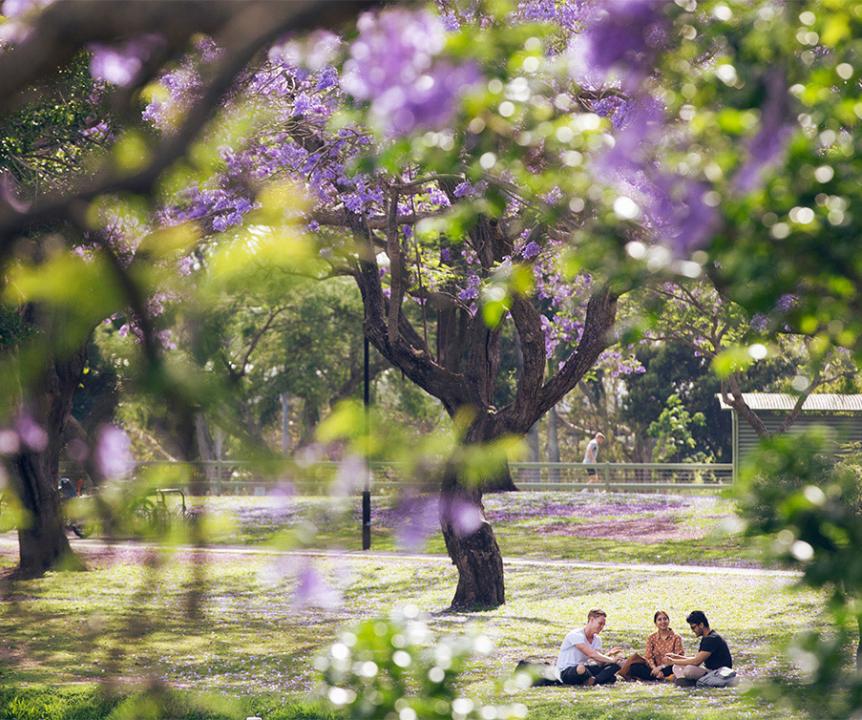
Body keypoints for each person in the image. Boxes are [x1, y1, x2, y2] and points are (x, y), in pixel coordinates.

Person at [556, 608, 624, 685]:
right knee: (581, 668)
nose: (601, 627)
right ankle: (597, 679)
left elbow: (599, 662)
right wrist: (611, 659)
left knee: (615, 666)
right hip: (567, 671)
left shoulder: (597, 639)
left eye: (603, 625)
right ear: (591, 620)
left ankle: (593, 680)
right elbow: (590, 654)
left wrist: (609, 655)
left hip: (585, 669)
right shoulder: (576, 635)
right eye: (600, 623)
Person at [665, 610, 733, 681]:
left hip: (719, 674)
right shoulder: (706, 637)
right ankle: (686, 681)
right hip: (711, 671)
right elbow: (696, 658)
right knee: (676, 667)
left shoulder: (711, 639)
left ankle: (689, 682)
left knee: (689, 670)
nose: (692, 630)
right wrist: (677, 657)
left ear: (701, 625)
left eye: (693, 627)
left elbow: (696, 662)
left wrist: (672, 661)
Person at [616, 610, 684, 681]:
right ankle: (659, 676)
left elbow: (678, 657)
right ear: (655, 623)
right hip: (653, 669)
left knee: (674, 667)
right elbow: (649, 657)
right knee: (634, 667)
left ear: (668, 621)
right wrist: (654, 668)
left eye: (665, 619)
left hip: (669, 666)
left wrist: (661, 667)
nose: (663, 622)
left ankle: (660, 676)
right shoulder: (651, 637)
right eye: (659, 620)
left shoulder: (676, 637)